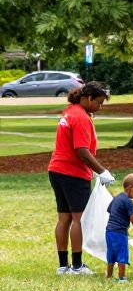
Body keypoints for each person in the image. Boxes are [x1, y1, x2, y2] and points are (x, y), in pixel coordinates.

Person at [47, 81, 115, 276]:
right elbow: (82, 151)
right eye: (99, 103)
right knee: (79, 219)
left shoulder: (70, 111)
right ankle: (76, 266)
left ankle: (63, 266)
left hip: (56, 170)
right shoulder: (81, 118)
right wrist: (102, 171)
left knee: (64, 218)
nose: (99, 108)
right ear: (89, 98)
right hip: (72, 173)